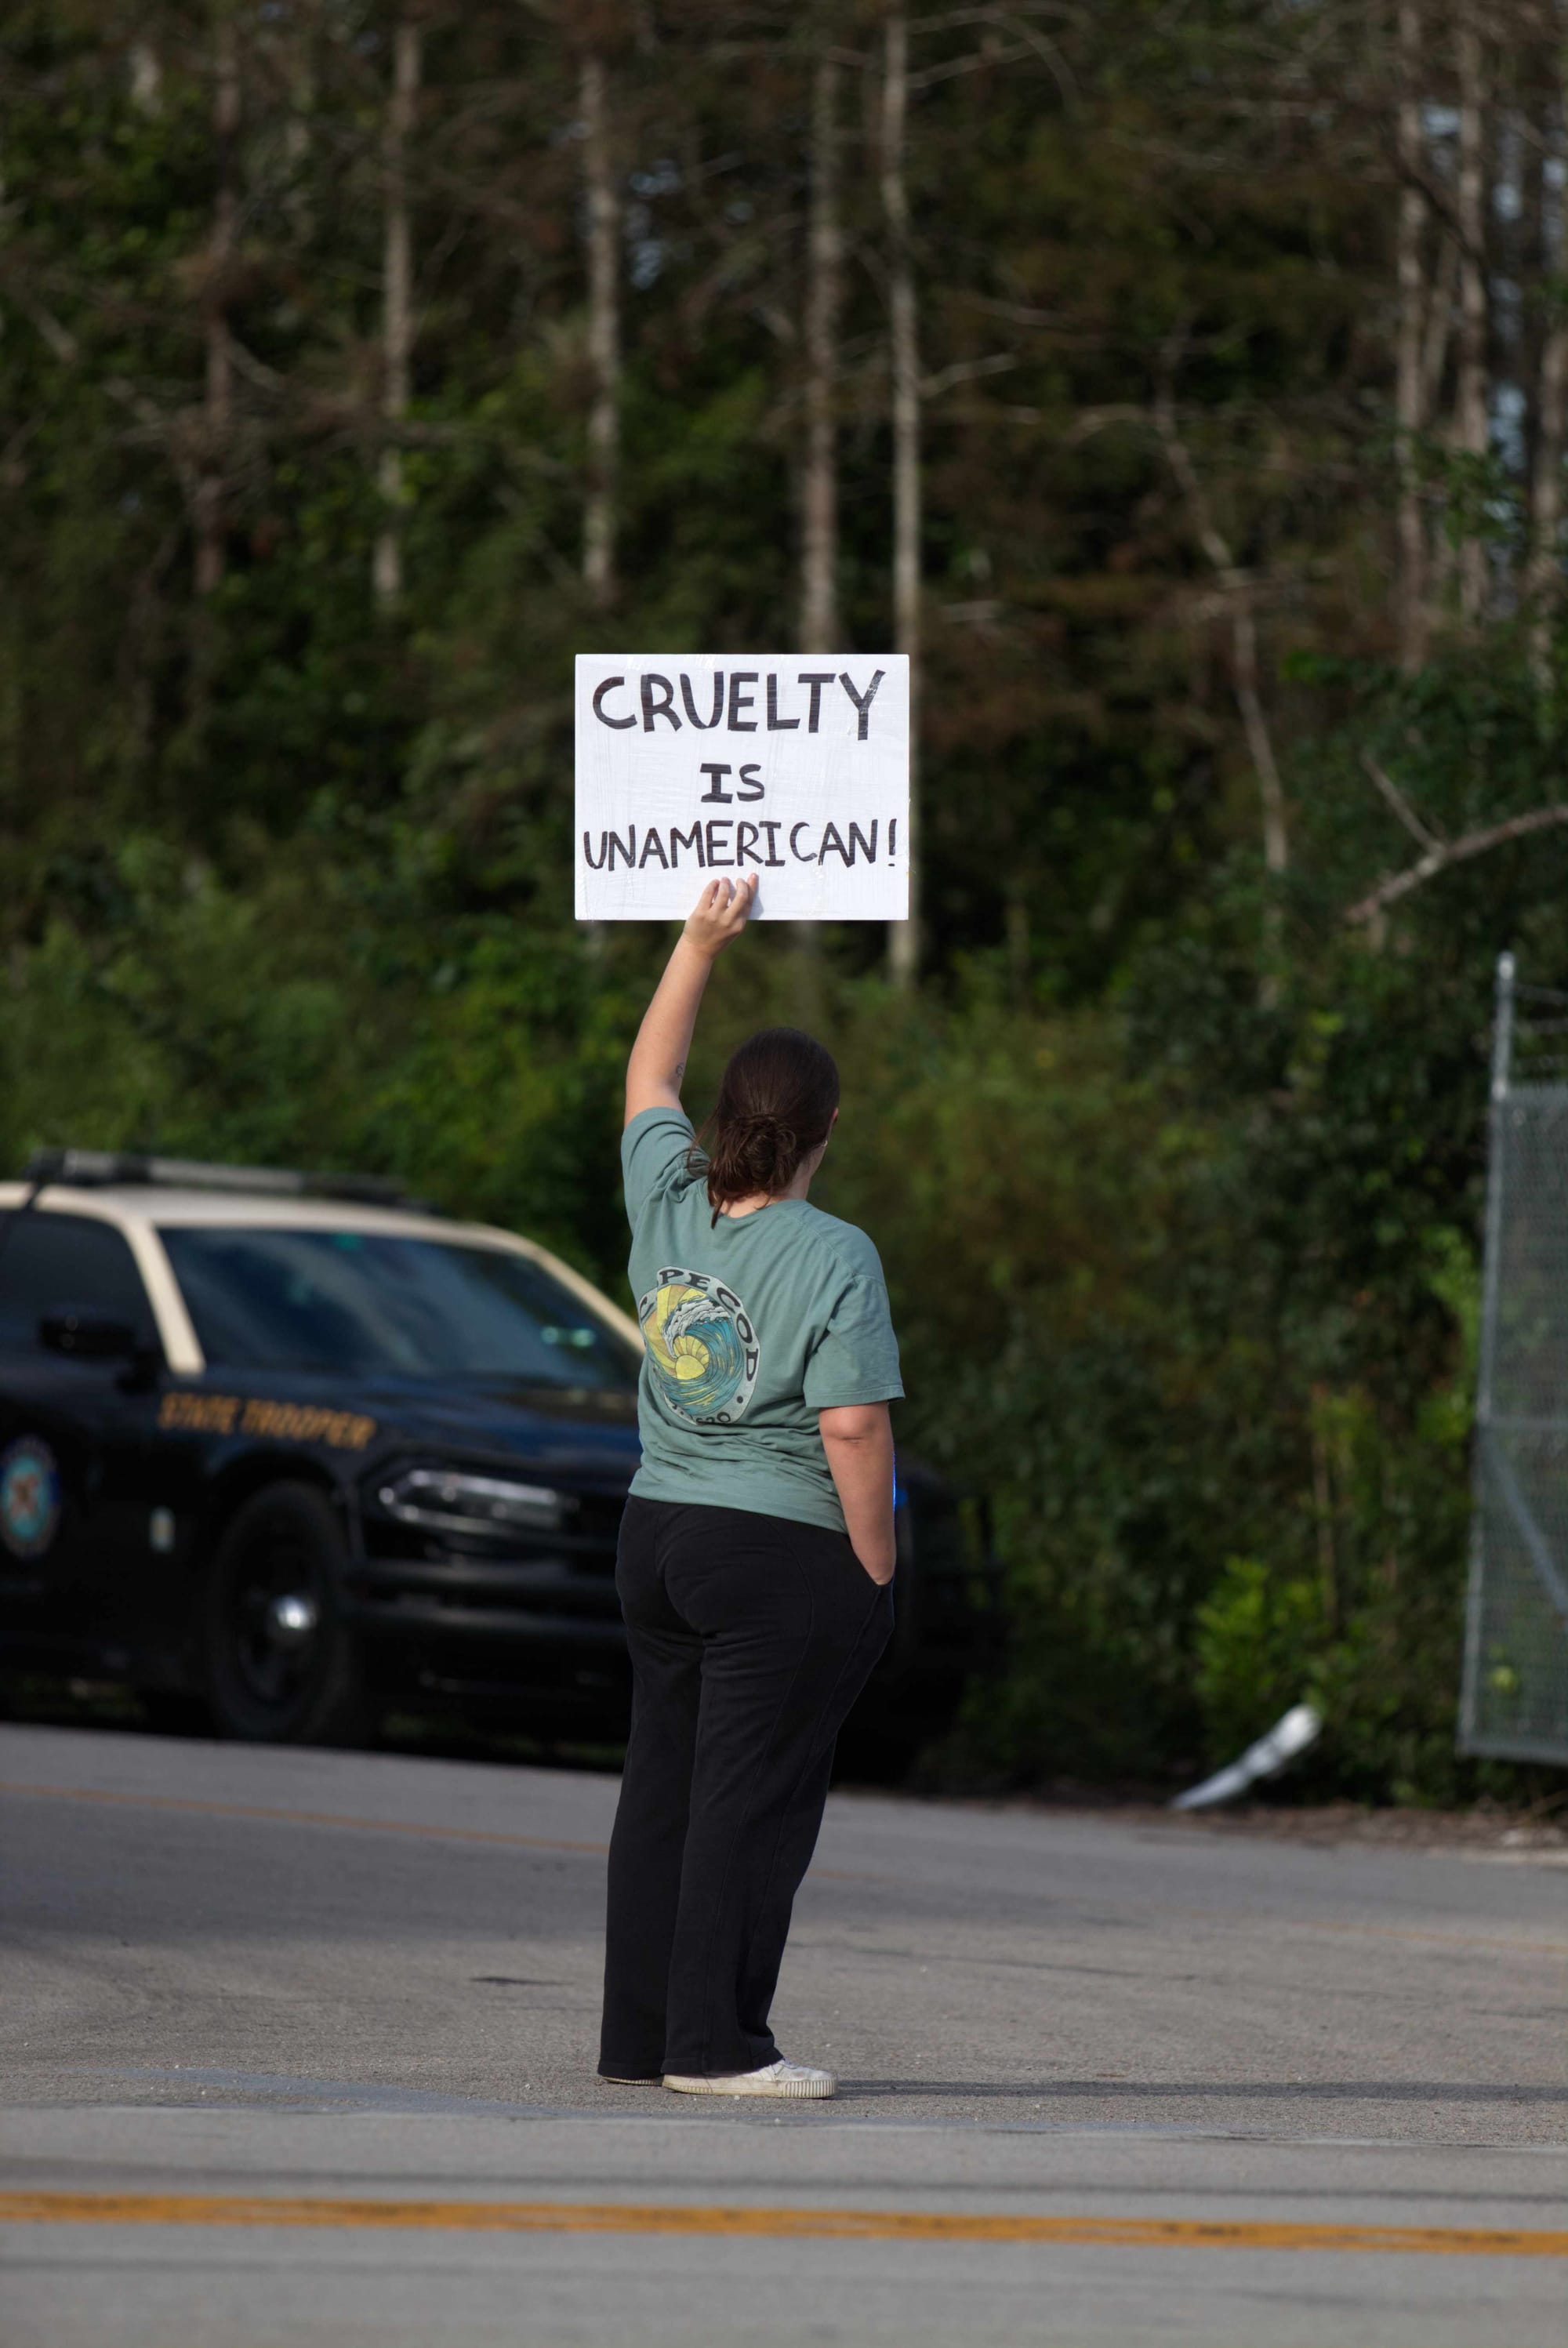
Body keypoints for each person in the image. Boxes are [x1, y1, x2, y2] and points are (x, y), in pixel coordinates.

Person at [598, 872, 902, 2100]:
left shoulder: (669, 1199)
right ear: (830, 1125)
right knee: (749, 1800)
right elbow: (852, 1426)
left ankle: (643, 2036)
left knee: (664, 1792)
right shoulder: (836, 1253)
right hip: (773, 1551)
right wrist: (875, 1567)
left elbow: (648, 1078)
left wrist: (698, 942)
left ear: (727, 1119)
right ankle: (717, 2047)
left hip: (656, 1534)